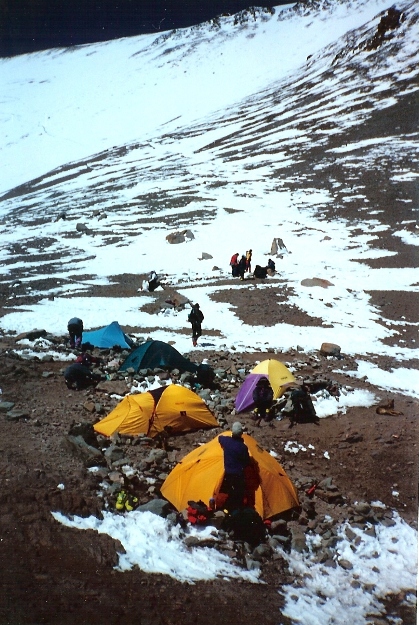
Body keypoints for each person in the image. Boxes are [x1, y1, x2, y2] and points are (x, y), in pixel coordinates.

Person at [218, 422, 250, 512]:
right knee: (238, 493)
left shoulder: (227, 441)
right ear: (241, 434)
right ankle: (235, 509)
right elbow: (246, 462)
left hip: (228, 473)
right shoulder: (243, 447)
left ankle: (226, 508)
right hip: (238, 474)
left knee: (230, 490)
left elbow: (220, 438)